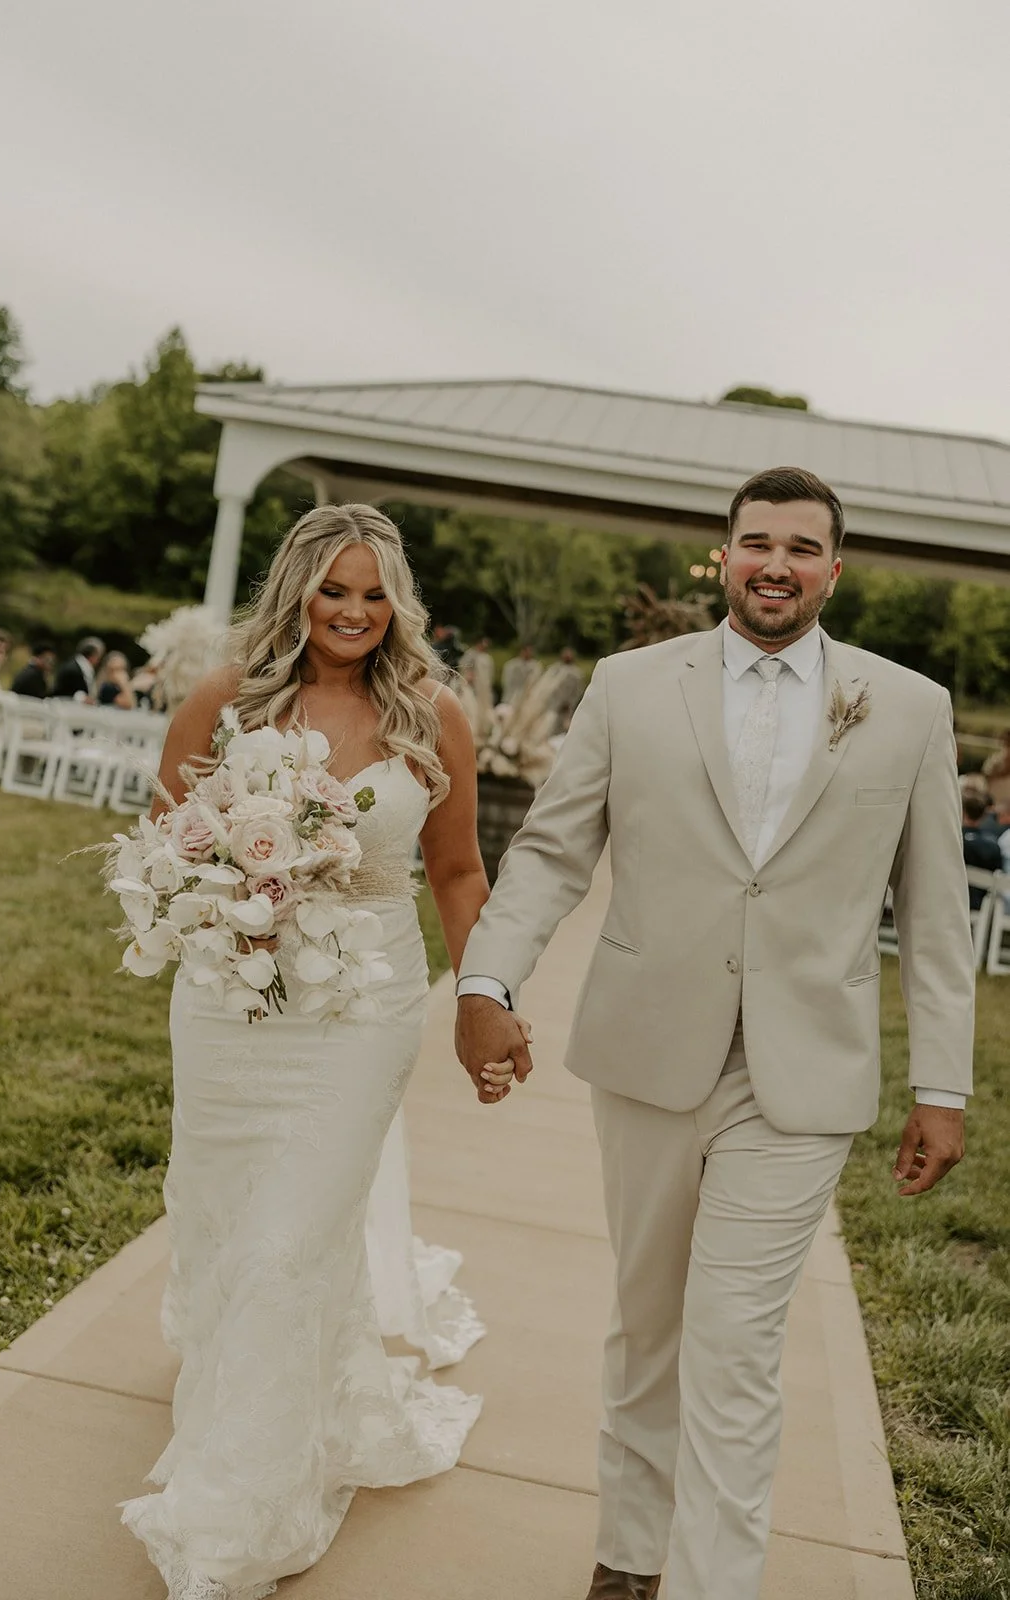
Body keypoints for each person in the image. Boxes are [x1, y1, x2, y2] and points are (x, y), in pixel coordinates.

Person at [455, 466, 973, 1600]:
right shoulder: (630, 686)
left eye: (800, 546)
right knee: (649, 1329)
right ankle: (629, 1560)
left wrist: (946, 1083)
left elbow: (936, 915)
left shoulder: (911, 707)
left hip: (803, 1077)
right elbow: (550, 852)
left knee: (734, 1349)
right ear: (722, 557)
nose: (775, 563)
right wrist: (487, 979)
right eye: (756, 542)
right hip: (647, 1053)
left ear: (834, 569)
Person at [121, 504, 528, 1600]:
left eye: (374, 592)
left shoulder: (432, 715)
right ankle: (234, 1387)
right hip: (227, 1003)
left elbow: (455, 872)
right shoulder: (228, 698)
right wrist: (222, 894)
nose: (353, 612)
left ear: (398, 602)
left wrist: (481, 996)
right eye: (333, 589)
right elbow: (168, 839)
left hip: (364, 1008)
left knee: (296, 1233)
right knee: (225, 1210)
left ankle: (238, 1508)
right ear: (296, 590)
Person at [962, 791, 1002, 907]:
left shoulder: (954, 841)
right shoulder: (993, 845)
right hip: (983, 906)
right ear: (983, 815)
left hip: (956, 900)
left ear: (963, 812)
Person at [542, 645, 587, 733]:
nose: (567, 656)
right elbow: (547, 687)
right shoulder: (554, 670)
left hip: (568, 708)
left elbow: (578, 691)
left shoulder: (577, 673)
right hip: (553, 706)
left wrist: (570, 702)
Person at [52, 635, 105, 702]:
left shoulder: (76, 665)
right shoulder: (73, 669)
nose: (98, 660)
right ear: (93, 655)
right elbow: (66, 692)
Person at [458, 634, 495, 714]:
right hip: (473, 686)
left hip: (484, 687)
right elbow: (464, 667)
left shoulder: (487, 657)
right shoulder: (470, 654)